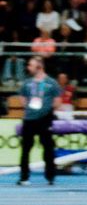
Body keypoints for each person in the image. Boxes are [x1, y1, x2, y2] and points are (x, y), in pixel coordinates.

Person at [15, 53, 60, 186]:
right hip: (29, 119)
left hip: (44, 119)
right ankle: (24, 177)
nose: (28, 67)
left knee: (48, 148)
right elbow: (22, 98)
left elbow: (57, 101)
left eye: (31, 65)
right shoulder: (27, 83)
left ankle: (50, 176)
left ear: (39, 67)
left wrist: (45, 111)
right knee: (25, 149)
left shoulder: (51, 83)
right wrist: (31, 109)